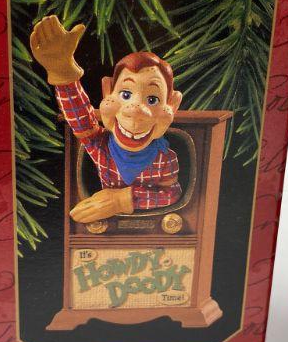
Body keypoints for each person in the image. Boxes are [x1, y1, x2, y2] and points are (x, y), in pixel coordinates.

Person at [30, 15, 183, 224]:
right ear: (107, 91)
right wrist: (62, 72)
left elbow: (172, 193)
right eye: (126, 94)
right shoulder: (101, 148)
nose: (135, 112)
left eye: (152, 99)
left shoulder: (165, 158)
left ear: (172, 105)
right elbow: (80, 119)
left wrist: (121, 200)